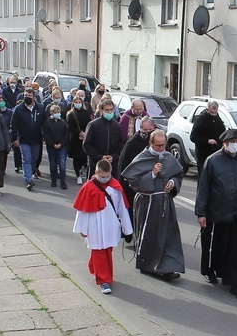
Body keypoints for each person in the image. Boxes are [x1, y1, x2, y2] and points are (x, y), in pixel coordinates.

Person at [194, 128, 237, 299]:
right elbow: (203, 188)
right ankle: (209, 269)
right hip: (216, 211)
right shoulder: (213, 161)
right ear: (225, 143)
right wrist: (201, 213)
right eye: (233, 142)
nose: (236, 145)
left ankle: (236, 282)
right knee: (214, 244)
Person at [121, 130, 186, 281]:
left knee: (169, 234)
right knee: (151, 235)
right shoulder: (142, 158)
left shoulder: (168, 157)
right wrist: (152, 174)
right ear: (150, 144)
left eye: (163, 145)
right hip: (147, 202)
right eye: (157, 146)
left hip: (165, 202)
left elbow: (178, 174)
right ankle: (148, 265)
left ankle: (168, 267)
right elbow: (132, 181)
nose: (161, 149)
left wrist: (173, 183)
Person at [72, 159, 133, 294]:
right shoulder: (88, 187)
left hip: (110, 226)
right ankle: (104, 281)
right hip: (94, 226)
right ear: (96, 173)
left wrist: (127, 229)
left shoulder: (115, 186)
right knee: (99, 251)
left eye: (107, 176)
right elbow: (82, 209)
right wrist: (82, 228)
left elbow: (122, 208)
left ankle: (94, 267)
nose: (105, 179)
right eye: (102, 177)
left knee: (106, 251)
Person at [10, 88, 45, 191]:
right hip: (24, 139)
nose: (27, 98)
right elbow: (13, 125)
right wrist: (14, 139)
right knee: (27, 159)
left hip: (36, 139)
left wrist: (45, 136)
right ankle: (28, 179)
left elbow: (45, 123)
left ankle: (32, 170)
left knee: (34, 159)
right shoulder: (18, 109)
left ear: (34, 97)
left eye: (29, 96)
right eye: (25, 96)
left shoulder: (40, 108)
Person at [118, 116, 156, 203]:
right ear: (140, 129)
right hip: (136, 186)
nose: (148, 132)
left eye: (150, 130)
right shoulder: (132, 144)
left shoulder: (158, 142)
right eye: (145, 130)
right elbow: (124, 166)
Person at [83, 99, 124, 179]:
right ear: (101, 111)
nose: (109, 112)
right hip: (95, 164)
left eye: (111, 110)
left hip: (112, 165)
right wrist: (100, 157)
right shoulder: (93, 125)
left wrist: (113, 157)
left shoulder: (117, 126)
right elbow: (86, 144)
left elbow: (121, 144)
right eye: (107, 110)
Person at [189, 100, 225, 177]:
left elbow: (222, 131)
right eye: (212, 112)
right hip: (203, 155)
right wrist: (207, 141)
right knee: (204, 177)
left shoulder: (218, 119)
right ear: (208, 109)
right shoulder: (201, 120)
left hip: (216, 153)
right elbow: (193, 137)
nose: (214, 114)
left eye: (215, 112)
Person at [66, 96, 92, 185]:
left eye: (79, 102)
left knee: (84, 157)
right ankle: (78, 175)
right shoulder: (70, 113)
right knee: (77, 157)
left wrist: (85, 133)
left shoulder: (85, 112)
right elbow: (70, 126)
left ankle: (80, 169)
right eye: (76, 102)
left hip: (84, 137)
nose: (78, 103)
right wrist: (79, 133)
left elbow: (89, 123)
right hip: (75, 138)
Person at [43, 104, 69, 189]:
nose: (56, 114)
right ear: (51, 113)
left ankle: (63, 181)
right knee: (53, 164)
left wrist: (61, 144)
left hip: (62, 146)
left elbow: (66, 134)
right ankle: (53, 180)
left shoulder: (63, 122)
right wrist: (53, 144)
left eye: (58, 112)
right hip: (51, 146)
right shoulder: (47, 122)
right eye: (54, 112)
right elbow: (46, 135)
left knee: (62, 163)